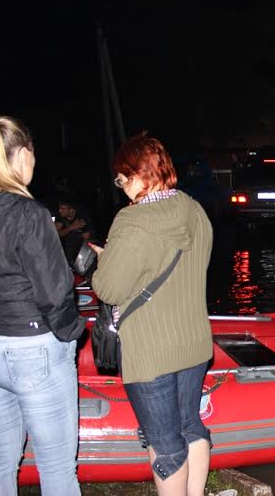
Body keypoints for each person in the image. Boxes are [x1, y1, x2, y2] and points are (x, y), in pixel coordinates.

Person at [0, 114, 84, 495]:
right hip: (29, 348)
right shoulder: (28, 214)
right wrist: (71, 336)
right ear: (23, 154)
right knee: (58, 469)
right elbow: (55, 293)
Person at [90, 133, 213, 496]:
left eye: (122, 178)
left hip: (151, 350)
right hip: (193, 343)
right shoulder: (194, 209)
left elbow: (109, 288)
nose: (121, 187)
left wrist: (105, 260)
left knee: (165, 445)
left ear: (141, 175)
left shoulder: (132, 222)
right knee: (191, 427)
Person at [55, 199, 95, 264]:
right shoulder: (60, 216)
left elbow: (87, 239)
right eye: (59, 208)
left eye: (63, 208)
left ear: (71, 210)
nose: (60, 211)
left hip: (82, 246)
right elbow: (55, 235)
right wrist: (70, 227)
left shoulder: (82, 216)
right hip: (66, 244)